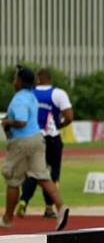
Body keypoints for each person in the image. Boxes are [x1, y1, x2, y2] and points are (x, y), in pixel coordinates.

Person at [2, 66, 68, 230]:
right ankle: (61, 207)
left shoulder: (19, 99)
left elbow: (21, 121)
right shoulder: (31, 96)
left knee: (13, 180)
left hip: (21, 142)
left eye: (15, 78)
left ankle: (8, 218)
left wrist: (6, 122)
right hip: (37, 139)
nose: (13, 81)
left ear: (20, 81)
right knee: (43, 177)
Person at [16, 69, 73, 219]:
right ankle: (49, 208)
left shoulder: (29, 94)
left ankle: (24, 201)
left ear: (38, 79)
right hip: (52, 137)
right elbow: (69, 117)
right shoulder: (58, 93)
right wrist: (58, 126)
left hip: (32, 136)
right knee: (51, 173)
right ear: (49, 78)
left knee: (33, 172)